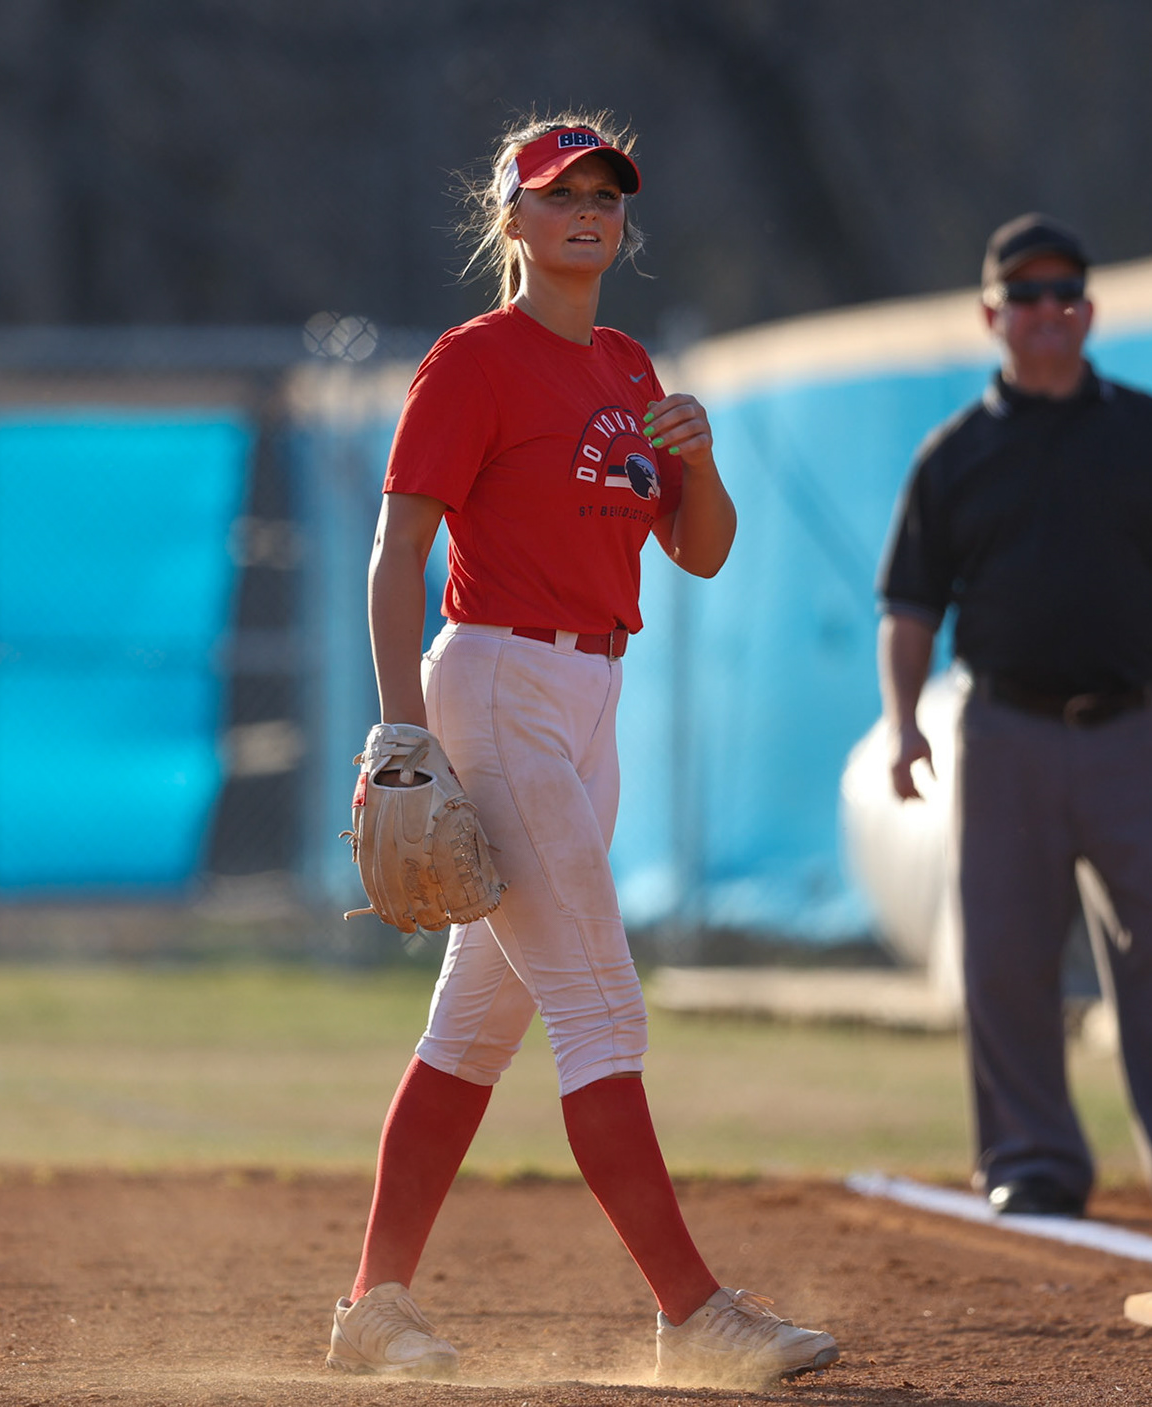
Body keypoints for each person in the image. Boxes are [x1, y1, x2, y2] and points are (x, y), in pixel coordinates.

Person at [325, 115, 840, 1386]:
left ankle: (372, 1312)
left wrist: (699, 458)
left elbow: (702, 547)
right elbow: (399, 551)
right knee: (601, 1005)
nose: (590, 211)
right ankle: (692, 1316)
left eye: (606, 193)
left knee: (475, 1027)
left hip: (590, 693)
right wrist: (400, 727)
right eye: (562, 195)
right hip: (496, 679)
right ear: (512, 221)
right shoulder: (476, 361)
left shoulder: (625, 365)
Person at [876, 213, 1152, 1222]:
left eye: (1066, 296)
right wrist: (905, 722)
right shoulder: (954, 455)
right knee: (1005, 952)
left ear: (1088, 311)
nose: (1049, 314)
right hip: (1004, 732)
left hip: (1135, 729)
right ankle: (1032, 1158)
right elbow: (910, 606)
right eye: (1028, 297)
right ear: (991, 314)